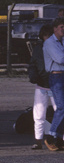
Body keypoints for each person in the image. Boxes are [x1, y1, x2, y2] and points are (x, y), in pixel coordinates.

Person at [30, 25, 58, 149]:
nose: (47, 38)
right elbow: (32, 65)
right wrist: (33, 76)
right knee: (39, 114)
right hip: (43, 85)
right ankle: (38, 140)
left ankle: (58, 138)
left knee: (59, 112)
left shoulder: (56, 48)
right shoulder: (38, 49)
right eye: (46, 35)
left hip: (54, 85)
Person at [42, 18, 64, 150]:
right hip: (56, 76)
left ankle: (58, 137)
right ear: (55, 28)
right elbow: (60, 59)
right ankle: (50, 136)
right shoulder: (50, 43)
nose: (63, 29)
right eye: (61, 27)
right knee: (61, 106)